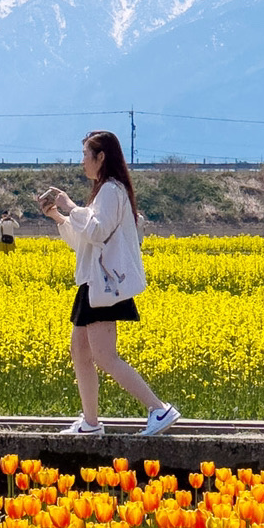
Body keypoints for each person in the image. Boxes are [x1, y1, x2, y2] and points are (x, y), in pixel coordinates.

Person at [40, 130, 180, 438]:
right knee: (80, 350)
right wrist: (59, 217)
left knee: (104, 355)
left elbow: (97, 231)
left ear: (101, 157)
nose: (82, 163)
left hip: (104, 285)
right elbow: (85, 241)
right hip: (93, 282)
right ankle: (90, 422)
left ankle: (159, 408)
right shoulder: (104, 192)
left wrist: (69, 205)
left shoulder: (111, 191)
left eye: (86, 155)